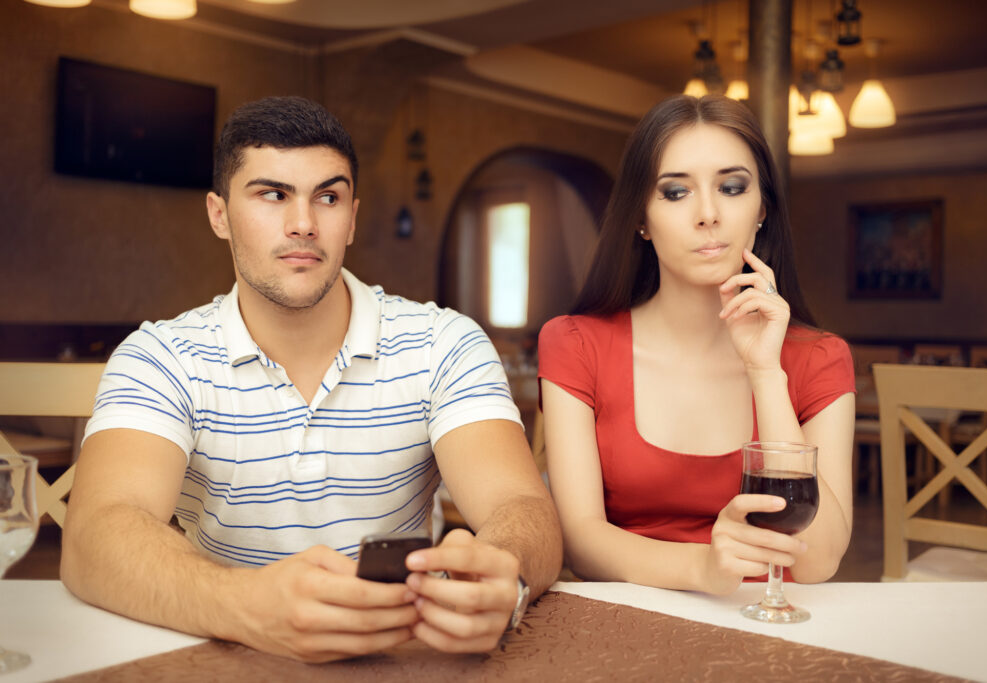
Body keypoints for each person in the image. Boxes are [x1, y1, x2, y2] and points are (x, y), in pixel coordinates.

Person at [61, 96, 561, 661]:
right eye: (273, 194)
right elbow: (93, 537)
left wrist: (502, 574)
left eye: (327, 197)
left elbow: (523, 506)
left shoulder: (444, 343)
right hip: (223, 655)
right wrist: (244, 604)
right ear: (218, 215)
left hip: (402, 658)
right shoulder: (161, 356)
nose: (303, 224)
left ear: (351, 217)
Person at [537, 94, 854, 595]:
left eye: (731, 187)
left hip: (773, 627)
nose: (708, 214)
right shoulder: (576, 344)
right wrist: (702, 568)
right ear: (640, 218)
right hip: (631, 622)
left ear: (762, 209)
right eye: (675, 193)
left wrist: (766, 373)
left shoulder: (819, 358)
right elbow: (581, 540)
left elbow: (818, 562)